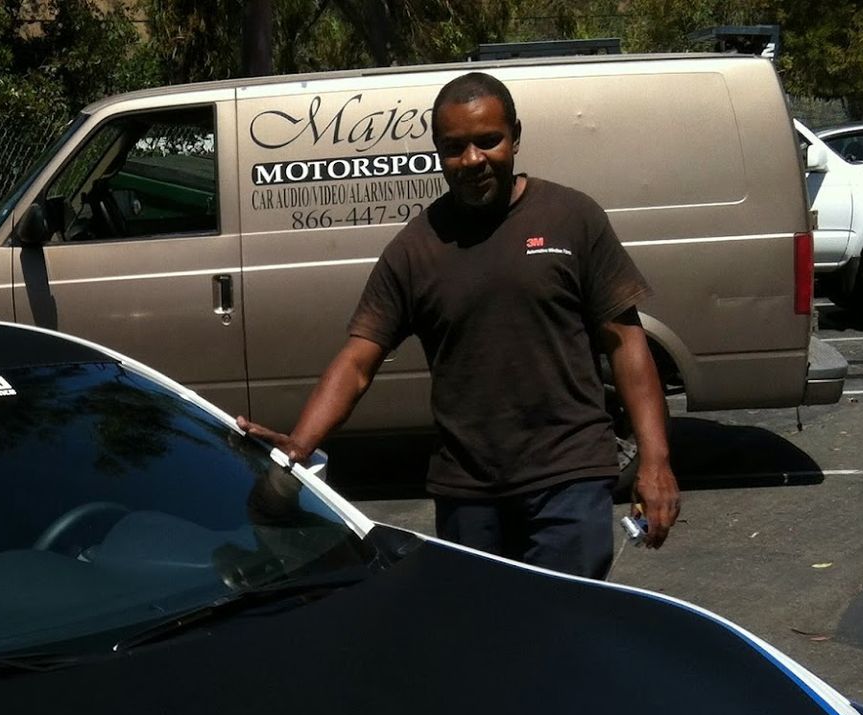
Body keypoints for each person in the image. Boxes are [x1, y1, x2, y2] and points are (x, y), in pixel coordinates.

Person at [237, 71, 680, 580]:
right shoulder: (416, 249)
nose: (473, 160)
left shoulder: (571, 218)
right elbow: (358, 360)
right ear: (437, 151)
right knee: (482, 639)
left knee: (560, 633)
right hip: (468, 494)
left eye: (488, 141)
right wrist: (299, 445)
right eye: (454, 147)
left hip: (569, 478)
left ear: (515, 134)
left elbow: (625, 341)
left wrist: (656, 461)